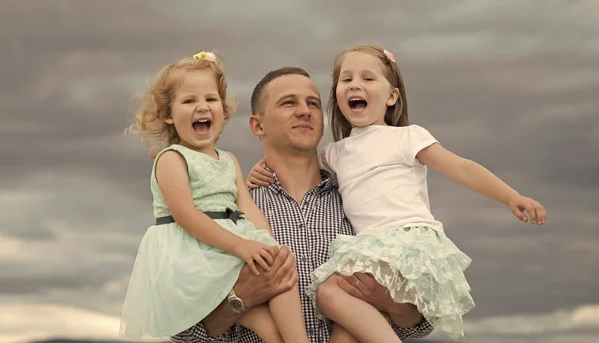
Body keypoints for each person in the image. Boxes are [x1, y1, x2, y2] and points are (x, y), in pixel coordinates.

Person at [248, 45, 547, 342]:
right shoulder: (334, 155)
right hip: (371, 248)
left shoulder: (406, 137)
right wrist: (254, 173)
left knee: (328, 293)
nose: (356, 85)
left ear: (392, 96)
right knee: (345, 331)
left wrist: (511, 196)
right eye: (346, 79)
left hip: (403, 242)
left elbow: (462, 168)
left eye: (368, 78)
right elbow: (295, 161)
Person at [171, 66, 434, 342]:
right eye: (289, 102)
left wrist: (392, 303)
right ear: (258, 125)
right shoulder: (230, 212)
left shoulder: (363, 201)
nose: (304, 111)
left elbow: (421, 322)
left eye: (313, 104)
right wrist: (241, 298)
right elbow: (182, 331)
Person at [119, 52, 309, 343]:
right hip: (196, 254)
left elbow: (246, 208)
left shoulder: (228, 160)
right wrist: (240, 245)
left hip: (228, 248)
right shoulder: (172, 158)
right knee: (267, 300)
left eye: (210, 99)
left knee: (279, 279)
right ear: (169, 114)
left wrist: (270, 244)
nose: (202, 107)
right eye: (189, 101)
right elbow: (186, 216)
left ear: (222, 108)